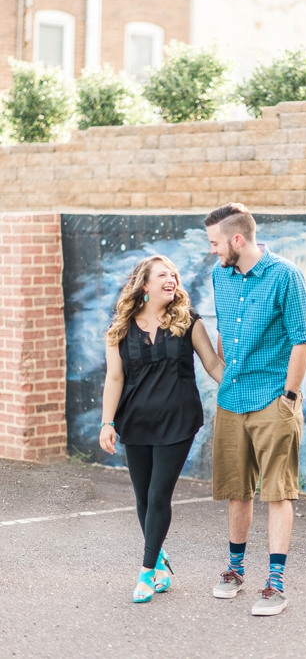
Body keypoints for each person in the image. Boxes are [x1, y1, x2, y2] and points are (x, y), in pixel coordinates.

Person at [204, 202, 306, 617]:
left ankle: (275, 584)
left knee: (277, 492)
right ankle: (234, 571)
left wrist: (288, 396)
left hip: (273, 400)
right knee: (237, 490)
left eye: (216, 243)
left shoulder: (286, 276)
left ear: (237, 239)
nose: (213, 251)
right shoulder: (221, 275)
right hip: (231, 402)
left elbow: (302, 338)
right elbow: (222, 329)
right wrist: (225, 374)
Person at [99, 255, 224, 603]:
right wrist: (107, 422)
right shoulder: (121, 329)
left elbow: (213, 364)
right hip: (135, 421)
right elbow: (114, 377)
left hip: (178, 420)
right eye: (162, 275)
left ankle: (145, 573)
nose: (171, 279)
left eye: (174, 275)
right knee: (142, 499)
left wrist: (244, 391)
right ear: (145, 285)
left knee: (158, 496)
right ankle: (159, 557)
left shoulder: (189, 321)